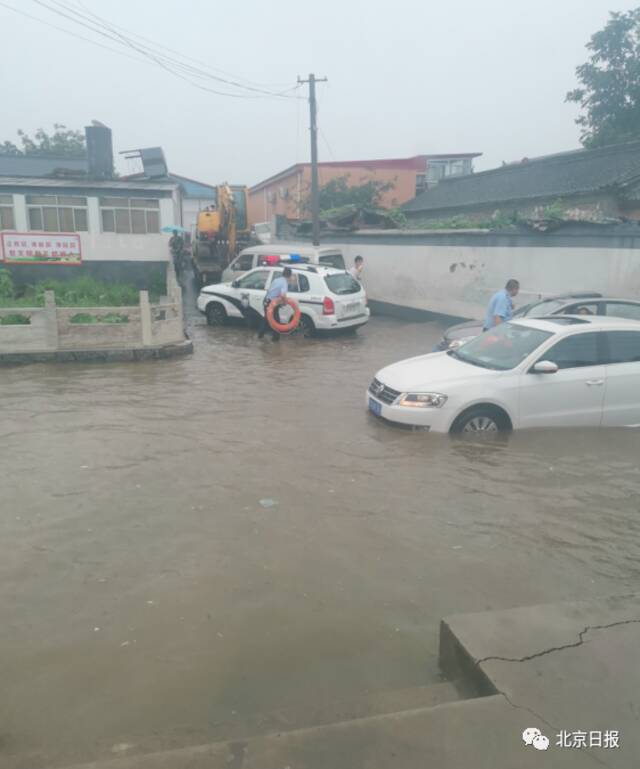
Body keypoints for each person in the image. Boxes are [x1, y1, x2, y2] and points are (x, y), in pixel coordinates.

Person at [258, 267, 292, 342]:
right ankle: (275, 340)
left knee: (267, 319)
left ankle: (260, 337)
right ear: (289, 275)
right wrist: (285, 302)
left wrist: (280, 302)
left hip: (267, 301)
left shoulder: (276, 280)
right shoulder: (284, 282)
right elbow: (283, 295)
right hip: (271, 303)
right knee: (275, 321)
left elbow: (271, 290)